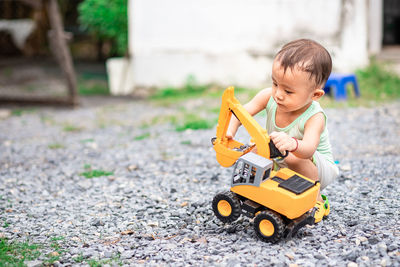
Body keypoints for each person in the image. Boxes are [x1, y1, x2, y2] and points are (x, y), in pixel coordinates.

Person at [226, 39, 339, 222]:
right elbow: (241, 113)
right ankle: (253, 191)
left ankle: (317, 200)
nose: (278, 94)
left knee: (290, 155)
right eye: (275, 84)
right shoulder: (269, 97)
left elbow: (309, 148)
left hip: (316, 167)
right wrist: (230, 131)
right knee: (254, 150)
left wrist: (292, 143)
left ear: (315, 95)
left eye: (288, 91)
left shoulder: (314, 116)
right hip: (282, 155)